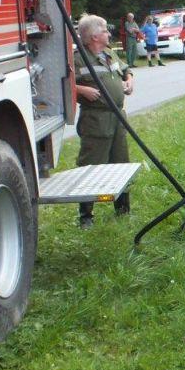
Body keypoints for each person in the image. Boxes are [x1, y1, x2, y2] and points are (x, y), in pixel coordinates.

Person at [73, 14, 134, 229]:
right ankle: (86, 216)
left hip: (117, 118)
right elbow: (63, 84)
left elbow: (126, 70)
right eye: (105, 31)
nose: (109, 34)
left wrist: (129, 81)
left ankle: (123, 209)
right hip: (95, 120)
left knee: (121, 163)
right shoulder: (78, 59)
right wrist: (81, 89)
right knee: (91, 166)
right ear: (94, 36)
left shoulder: (109, 53)